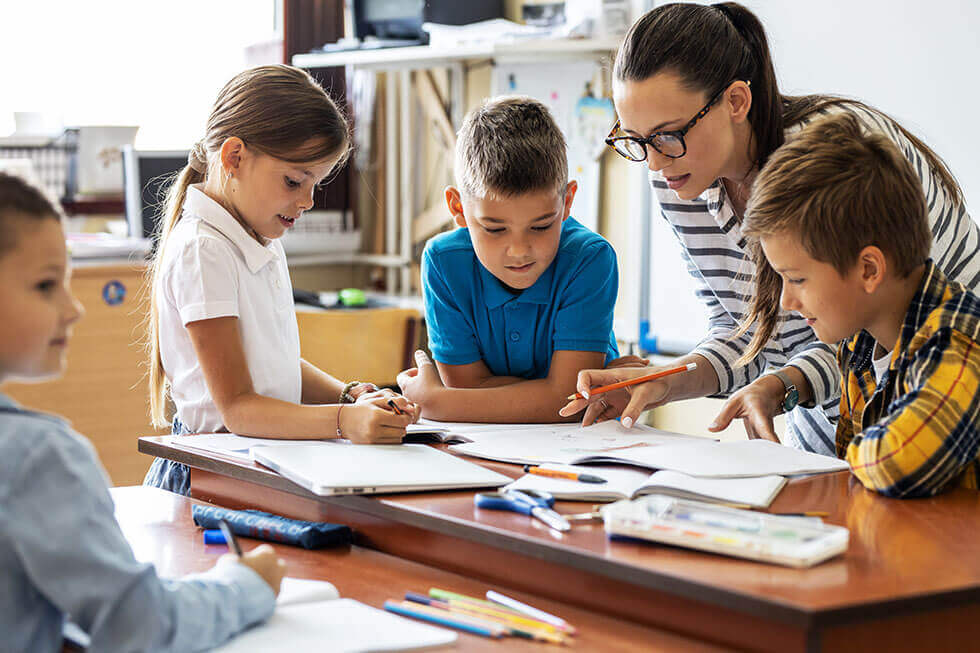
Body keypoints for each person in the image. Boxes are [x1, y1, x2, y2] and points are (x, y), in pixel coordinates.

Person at [560, 2, 979, 452]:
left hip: (938, 403)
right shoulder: (679, 177)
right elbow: (745, 331)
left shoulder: (836, 155)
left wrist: (784, 384)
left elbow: (870, 324)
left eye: (668, 134)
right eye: (636, 139)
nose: (656, 162)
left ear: (736, 101)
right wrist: (665, 381)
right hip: (840, 425)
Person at [0, 171, 287, 651]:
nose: (73, 309)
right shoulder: (36, 457)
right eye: (47, 286)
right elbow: (140, 625)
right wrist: (245, 586)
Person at [144, 65, 416, 496]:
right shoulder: (204, 250)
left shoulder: (260, 241)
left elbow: (274, 366)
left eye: (316, 185)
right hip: (212, 473)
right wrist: (344, 422)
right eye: (294, 181)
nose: (307, 201)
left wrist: (350, 395)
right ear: (234, 158)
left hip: (258, 458)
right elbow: (238, 409)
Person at [741, 113, 979, 496]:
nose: (786, 300)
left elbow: (894, 463)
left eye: (797, 279)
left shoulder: (960, 343)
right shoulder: (859, 346)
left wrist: (805, 464)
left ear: (869, 269)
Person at [398, 96, 640, 422]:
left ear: (567, 202)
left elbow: (568, 401)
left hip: (584, 444)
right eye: (495, 229)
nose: (520, 250)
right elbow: (473, 386)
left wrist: (437, 402)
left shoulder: (589, 259)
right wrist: (551, 392)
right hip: (485, 448)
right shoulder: (443, 263)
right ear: (458, 209)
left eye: (541, 226)